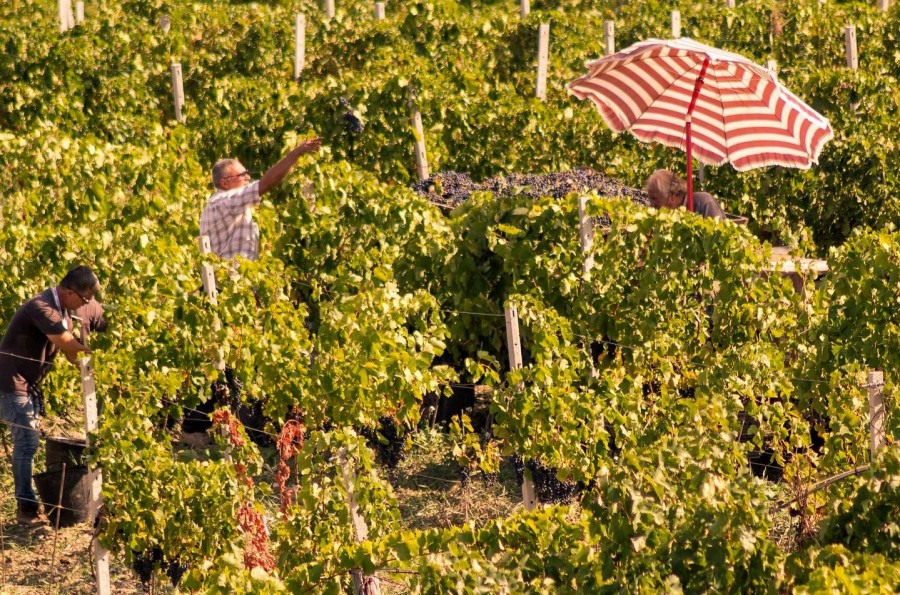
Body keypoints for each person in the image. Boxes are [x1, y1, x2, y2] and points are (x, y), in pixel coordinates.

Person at [0, 265, 107, 526]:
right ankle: (26, 508)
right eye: (85, 299)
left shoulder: (72, 304)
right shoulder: (42, 307)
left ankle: (28, 503)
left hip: (29, 382)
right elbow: (71, 349)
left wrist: (113, 331)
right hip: (10, 382)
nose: (87, 304)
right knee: (26, 443)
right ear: (70, 292)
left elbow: (100, 317)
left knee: (28, 442)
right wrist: (104, 361)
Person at [200, 138, 322, 261]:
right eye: (242, 175)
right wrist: (295, 154)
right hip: (234, 277)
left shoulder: (218, 203)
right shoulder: (225, 202)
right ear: (225, 183)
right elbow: (265, 184)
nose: (248, 177)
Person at [643, 169, 726, 220]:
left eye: (654, 198)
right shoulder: (668, 215)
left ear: (672, 195)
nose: (652, 205)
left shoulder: (705, 203)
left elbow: (717, 241)